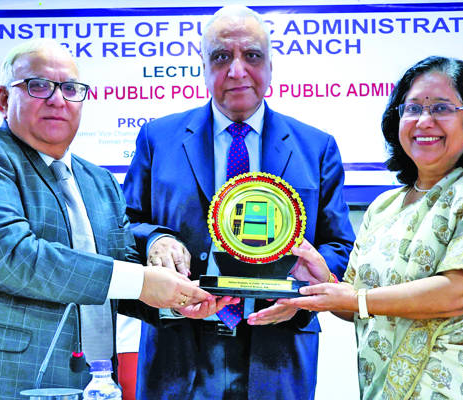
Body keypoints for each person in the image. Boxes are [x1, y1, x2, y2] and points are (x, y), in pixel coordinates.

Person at [254, 55, 463, 399]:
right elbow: (358, 306)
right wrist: (323, 285)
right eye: (412, 109)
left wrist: (357, 298)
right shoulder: (384, 208)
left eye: (441, 108)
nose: (424, 121)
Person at [0, 39, 218, 400]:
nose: (58, 99)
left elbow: (120, 275)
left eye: (71, 89)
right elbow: (10, 256)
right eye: (38, 85)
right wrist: (141, 281)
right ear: (3, 99)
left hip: (92, 386)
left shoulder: (100, 182)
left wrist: (182, 298)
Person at [122, 5, 355, 399]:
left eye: (251, 55)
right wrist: (155, 239)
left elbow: (339, 244)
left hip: (279, 347)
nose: (236, 70)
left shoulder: (316, 147)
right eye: (220, 56)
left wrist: (301, 295)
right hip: (179, 346)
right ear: (203, 66)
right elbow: (125, 226)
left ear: (270, 66)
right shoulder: (157, 138)